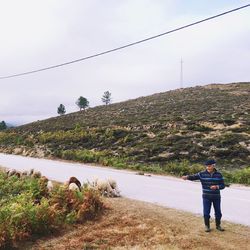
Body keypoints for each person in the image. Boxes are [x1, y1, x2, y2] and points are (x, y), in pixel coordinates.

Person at [182, 159, 225, 232]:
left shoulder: (219, 174)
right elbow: (193, 177)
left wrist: (217, 187)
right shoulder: (201, 174)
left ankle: (218, 226)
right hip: (206, 197)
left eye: (209, 166)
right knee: (206, 212)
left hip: (216, 197)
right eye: (207, 166)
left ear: (213, 165)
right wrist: (187, 177)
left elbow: (223, 185)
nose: (208, 168)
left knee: (218, 212)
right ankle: (207, 226)